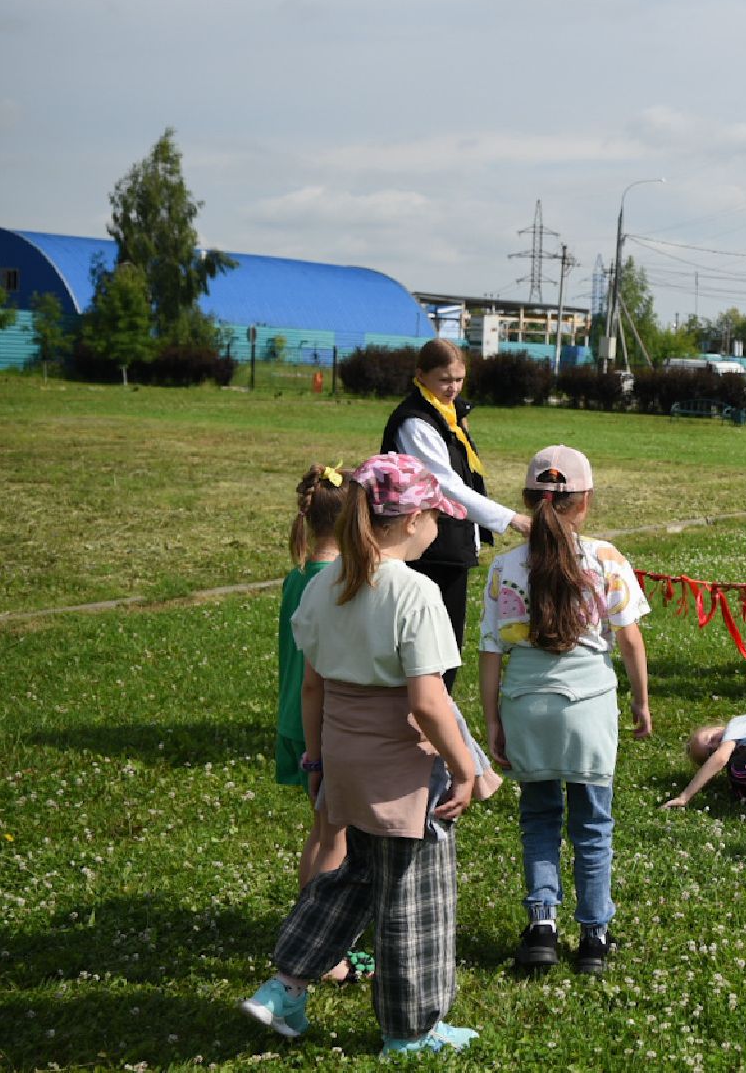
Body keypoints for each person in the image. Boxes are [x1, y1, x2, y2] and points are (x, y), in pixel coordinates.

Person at [240, 453, 501, 1058]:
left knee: (355, 876)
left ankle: (286, 985)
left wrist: (316, 761)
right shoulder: (415, 593)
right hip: (402, 772)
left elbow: (312, 688)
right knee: (415, 899)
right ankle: (410, 1032)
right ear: (411, 520)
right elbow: (427, 702)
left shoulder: (325, 583)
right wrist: (464, 767)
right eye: (437, 516)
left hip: (344, 757)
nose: (439, 528)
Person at [480, 445, 652, 977]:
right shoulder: (605, 558)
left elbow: (491, 650)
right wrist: (641, 701)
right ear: (586, 501)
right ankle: (594, 937)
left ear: (528, 500)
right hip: (588, 709)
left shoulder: (505, 566)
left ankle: (541, 927)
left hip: (525, 705)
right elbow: (630, 640)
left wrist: (492, 719)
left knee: (538, 817)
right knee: (592, 823)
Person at [381, 338, 532, 692]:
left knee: (447, 642)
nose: (453, 388)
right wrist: (512, 519)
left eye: (459, 379)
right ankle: (426, 711)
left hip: (448, 543)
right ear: (421, 375)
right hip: (427, 547)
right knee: (431, 645)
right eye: (444, 380)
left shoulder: (446, 413)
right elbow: (445, 485)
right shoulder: (415, 423)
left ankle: (434, 708)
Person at [273, 463, 372, 984]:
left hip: (295, 717)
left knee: (322, 829)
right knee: (335, 836)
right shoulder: (335, 583)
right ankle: (326, 953)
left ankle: (307, 927)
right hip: (324, 722)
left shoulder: (298, 576)